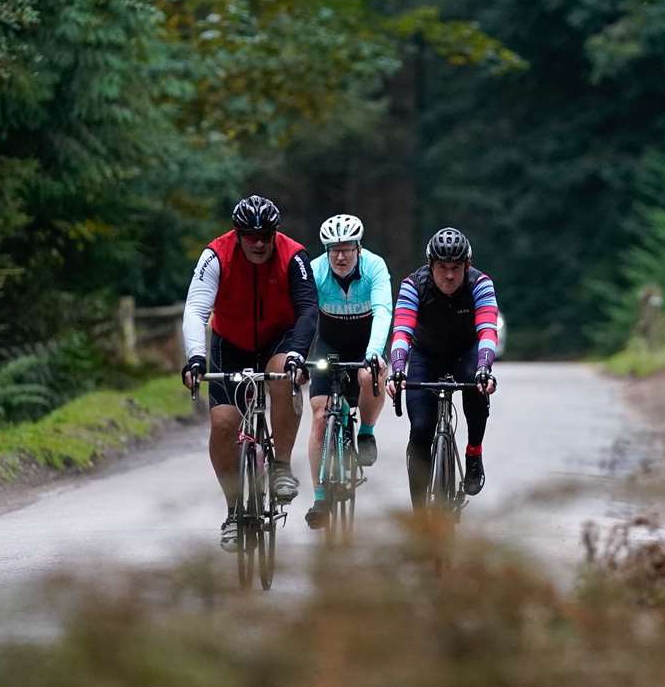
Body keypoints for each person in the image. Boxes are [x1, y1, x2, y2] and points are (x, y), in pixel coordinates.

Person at [180, 194, 316, 551]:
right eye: (250, 235)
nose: (258, 242)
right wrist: (195, 358)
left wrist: (298, 355)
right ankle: (233, 511)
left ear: (275, 233)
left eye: (266, 235)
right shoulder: (216, 255)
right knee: (224, 424)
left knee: (284, 375)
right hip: (231, 342)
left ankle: (281, 466)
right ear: (237, 233)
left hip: (278, 338)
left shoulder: (294, 256)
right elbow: (195, 310)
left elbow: (307, 311)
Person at [386, 227, 499, 507]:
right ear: (430, 266)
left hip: (466, 353)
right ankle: (420, 517)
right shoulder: (414, 285)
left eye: (456, 268)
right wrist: (398, 368)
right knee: (421, 428)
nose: (449, 275)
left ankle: (473, 452)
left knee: (475, 385)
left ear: (467, 266)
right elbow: (401, 331)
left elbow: (487, 331)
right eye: (442, 267)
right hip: (427, 355)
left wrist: (485, 367)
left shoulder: (480, 284)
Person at [304, 213, 392, 529]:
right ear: (326, 250)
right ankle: (318, 498)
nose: (340, 256)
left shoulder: (374, 267)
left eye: (347, 249)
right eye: (333, 249)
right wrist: (298, 356)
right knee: (318, 416)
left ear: (358, 247)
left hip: (365, 343)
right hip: (328, 344)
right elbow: (303, 316)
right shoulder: (315, 271)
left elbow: (383, 312)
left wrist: (373, 354)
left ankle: (366, 431)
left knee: (371, 375)